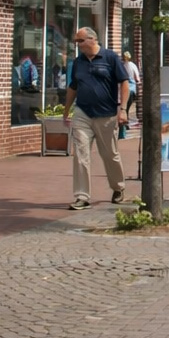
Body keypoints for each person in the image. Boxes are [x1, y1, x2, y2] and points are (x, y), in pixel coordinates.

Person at [62, 27, 129, 210]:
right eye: (77, 41)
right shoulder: (78, 62)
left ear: (92, 39)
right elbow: (73, 87)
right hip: (82, 113)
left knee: (110, 155)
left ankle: (118, 187)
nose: (78, 45)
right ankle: (82, 196)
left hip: (106, 114)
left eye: (80, 41)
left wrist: (122, 110)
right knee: (81, 155)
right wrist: (66, 110)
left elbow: (124, 83)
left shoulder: (110, 58)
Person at [122, 49, 141, 123]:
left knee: (124, 107)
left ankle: (124, 124)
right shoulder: (133, 65)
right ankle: (126, 121)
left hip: (124, 88)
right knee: (128, 106)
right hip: (132, 89)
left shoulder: (122, 66)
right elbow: (137, 78)